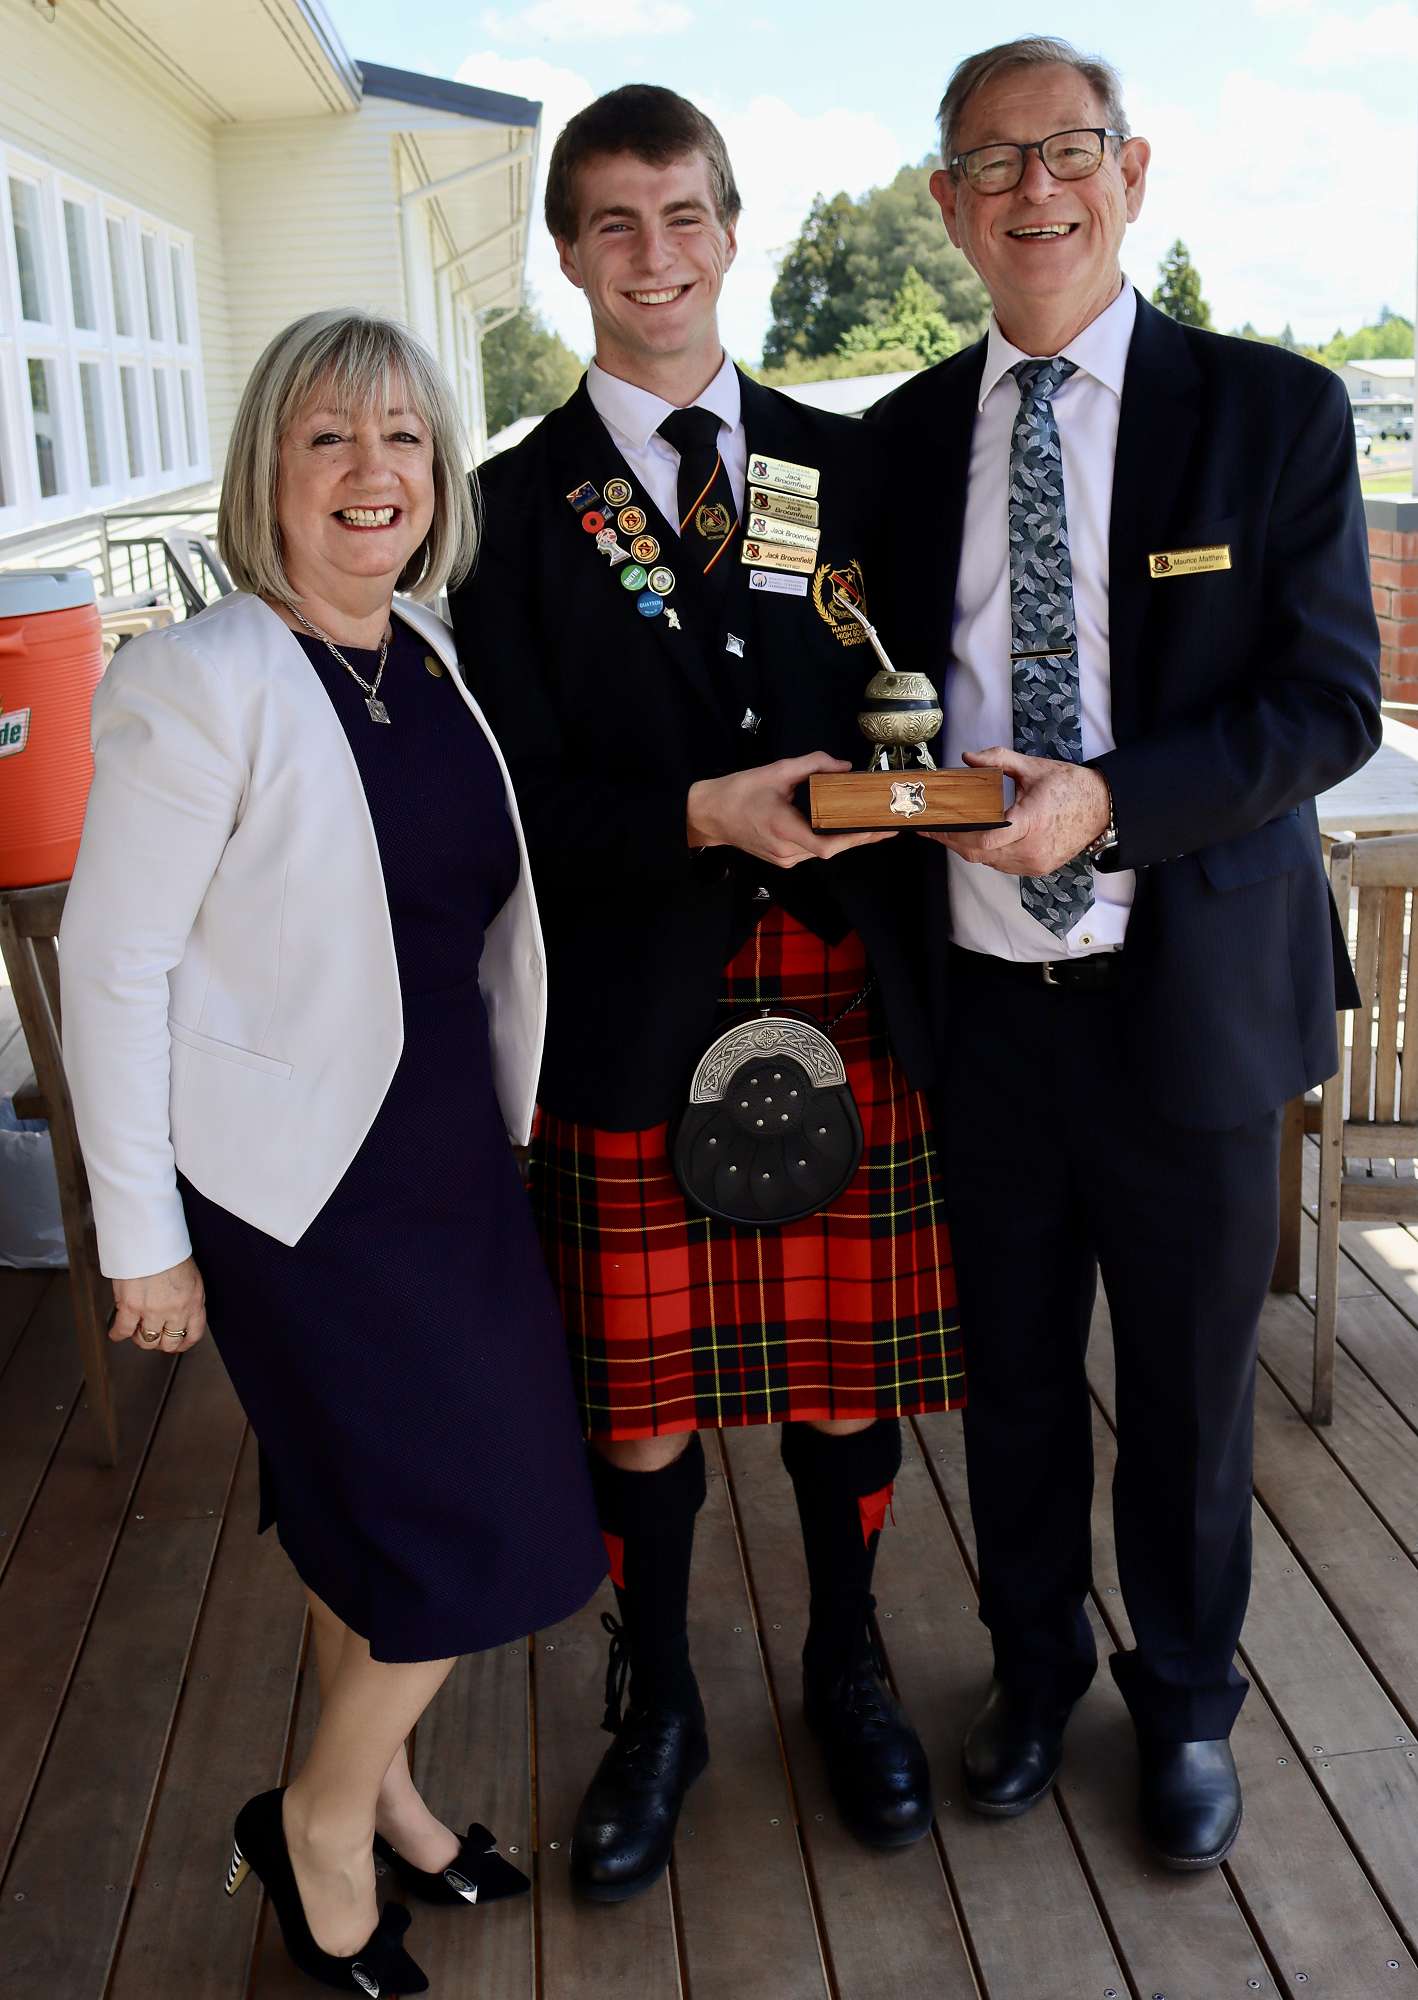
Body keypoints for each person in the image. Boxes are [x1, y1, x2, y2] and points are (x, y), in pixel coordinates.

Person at [866, 38, 1381, 1868]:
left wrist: (1108, 800)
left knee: (1183, 1392)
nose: (1035, 191)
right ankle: (1030, 1675)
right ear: (947, 204)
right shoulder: (893, 444)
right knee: (1007, 1381)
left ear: (1129, 171)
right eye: (992, 164)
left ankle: (1182, 1704)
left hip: (1190, 1000)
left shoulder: (1269, 414)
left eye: (1066, 151)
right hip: (979, 1001)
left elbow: (1326, 703)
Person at [450, 85, 963, 1903]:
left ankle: (848, 1664)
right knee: (640, 1399)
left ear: (731, 230)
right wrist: (694, 810)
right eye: (613, 222)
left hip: (844, 984)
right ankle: (654, 1697)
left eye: (682, 215)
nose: (652, 255)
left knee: (840, 1373)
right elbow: (509, 792)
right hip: (631, 997)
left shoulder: (849, 467)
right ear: (567, 253)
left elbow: (928, 705)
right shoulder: (508, 509)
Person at [59, 309, 606, 1993]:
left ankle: (390, 1801)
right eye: (328, 438)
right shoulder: (198, 678)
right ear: (268, 473)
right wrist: (144, 1240)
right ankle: (307, 1826)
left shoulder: (426, 649)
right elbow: (115, 965)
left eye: (404, 438)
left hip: (447, 1147)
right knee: (475, 1527)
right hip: (298, 1185)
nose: (374, 471)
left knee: (359, 1515)